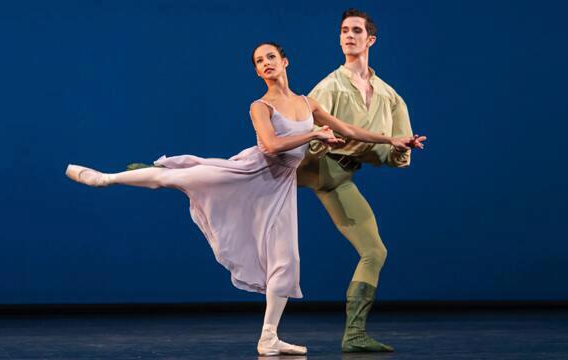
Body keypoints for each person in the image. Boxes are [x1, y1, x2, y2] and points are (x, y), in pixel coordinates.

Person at [65, 42, 417, 356]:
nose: (265, 63)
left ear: (285, 62)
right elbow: (270, 146)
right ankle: (104, 179)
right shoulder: (260, 106)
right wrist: (313, 133)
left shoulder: (307, 103)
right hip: (249, 171)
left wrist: (392, 141)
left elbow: (351, 130)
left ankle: (268, 338)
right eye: (259, 61)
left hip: (278, 188)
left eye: (271, 58)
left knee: (287, 263)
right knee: (177, 177)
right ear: (257, 71)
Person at [297, 8, 426, 353]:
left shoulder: (389, 97)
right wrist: (321, 138)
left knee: (374, 251)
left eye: (356, 30)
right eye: (343, 30)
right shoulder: (329, 86)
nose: (348, 35)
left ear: (370, 39)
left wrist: (402, 146)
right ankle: (164, 171)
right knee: (239, 173)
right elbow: (303, 130)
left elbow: (394, 155)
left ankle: (354, 333)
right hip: (303, 166)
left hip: (339, 177)